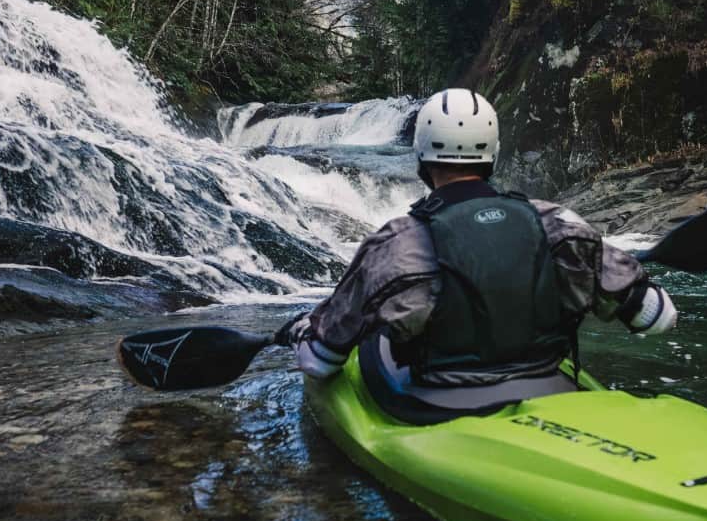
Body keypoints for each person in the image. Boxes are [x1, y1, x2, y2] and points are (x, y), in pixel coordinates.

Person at [277, 88, 676, 423]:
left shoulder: (395, 244)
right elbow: (658, 318)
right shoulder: (559, 225)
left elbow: (320, 363)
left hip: (438, 408)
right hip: (551, 389)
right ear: (493, 154)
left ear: (420, 156)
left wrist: (301, 333)